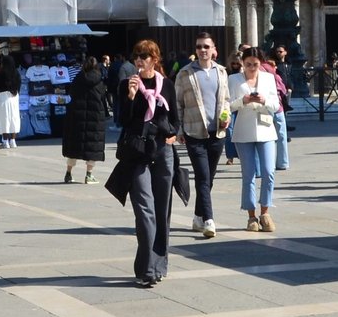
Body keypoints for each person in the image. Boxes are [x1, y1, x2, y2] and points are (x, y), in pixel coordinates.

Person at [114, 40, 179, 286]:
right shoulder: (126, 85)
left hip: (162, 151)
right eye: (136, 56)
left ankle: (158, 265)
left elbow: (175, 120)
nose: (139, 60)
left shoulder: (167, 85)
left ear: (155, 59)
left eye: (144, 56)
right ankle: (146, 269)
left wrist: (171, 133)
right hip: (137, 153)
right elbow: (122, 120)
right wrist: (131, 97)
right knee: (145, 212)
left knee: (162, 211)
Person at [173, 34, 230, 239]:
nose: (202, 50)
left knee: (209, 178)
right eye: (199, 47)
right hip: (194, 131)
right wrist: (179, 130)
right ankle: (209, 220)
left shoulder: (221, 71)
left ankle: (198, 216)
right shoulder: (185, 73)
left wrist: (226, 116)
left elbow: (226, 99)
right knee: (203, 176)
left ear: (213, 49)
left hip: (217, 132)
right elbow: (177, 103)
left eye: (206, 46)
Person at [228, 47, 283, 231]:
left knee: (268, 171)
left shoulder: (268, 78)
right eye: (248, 64)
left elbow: (276, 104)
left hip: (265, 129)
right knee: (248, 174)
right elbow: (228, 105)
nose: (252, 68)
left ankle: (265, 211)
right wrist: (242, 101)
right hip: (243, 131)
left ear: (261, 64)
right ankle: (251, 215)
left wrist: (264, 100)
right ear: (242, 63)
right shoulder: (234, 79)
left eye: (255, 64)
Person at [61, 56, 111, 184]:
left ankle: (68, 173)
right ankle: (89, 175)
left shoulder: (78, 79)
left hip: (77, 116)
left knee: (74, 146)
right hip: (95, 117)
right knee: (92, 147)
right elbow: (102, 97)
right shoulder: (99, 80)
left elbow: (71, 93)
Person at [0, 56, 22, 151]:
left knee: (4, 118)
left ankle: (5, 141)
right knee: (14, 117)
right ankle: (13, 141)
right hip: (14, 96)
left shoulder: (2, 73)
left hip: (3, 96)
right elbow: (19, 84)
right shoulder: (16, 73)